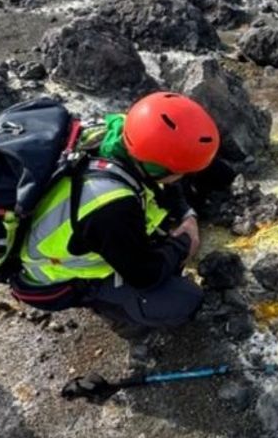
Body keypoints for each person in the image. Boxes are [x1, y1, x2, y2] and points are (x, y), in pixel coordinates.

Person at [11, 92, 220, 339]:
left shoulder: (126, 131)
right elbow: (145, 275)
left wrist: (186, 214)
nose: (182, 177)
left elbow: (168, 180)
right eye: (179, 172)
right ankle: (116, 311)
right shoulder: (111, 207)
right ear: (158, 168)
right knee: (182, 300)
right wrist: (183, 243)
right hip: (50, 279)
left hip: (88, 219)